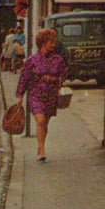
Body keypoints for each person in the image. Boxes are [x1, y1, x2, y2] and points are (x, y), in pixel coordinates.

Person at [16, 28, 68, 163]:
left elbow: (64, 74)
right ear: (43, 43)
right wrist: (20, 95)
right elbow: (24, 78)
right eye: (51, 42)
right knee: (40, 120)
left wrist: (56, 80)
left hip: (51, 96)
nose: (53, 45)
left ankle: (41, 146)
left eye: (53, 42)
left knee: (45, 124)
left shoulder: (58, 60)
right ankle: (41, 149)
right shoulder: (32, 60)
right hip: (36, 95)